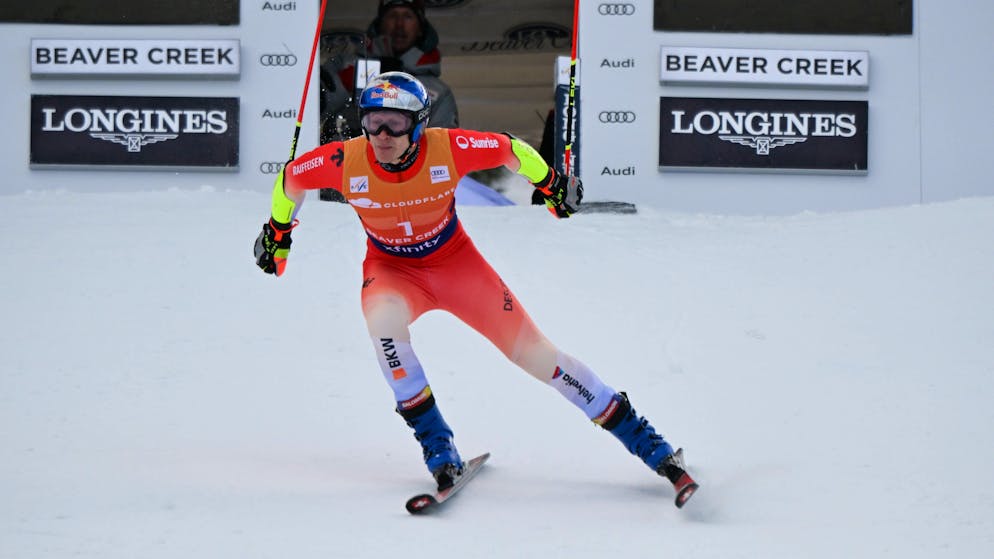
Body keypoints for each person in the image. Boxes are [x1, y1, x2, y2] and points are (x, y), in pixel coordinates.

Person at [253, 72, 699, 508]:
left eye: (396, 123)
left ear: (419, 124)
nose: (382, 135)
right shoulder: (342, 160)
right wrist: (278, 230)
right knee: (384, 330)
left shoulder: (447, 147)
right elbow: (290, 180)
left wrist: (550, 183)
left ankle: (650, 446)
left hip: (457, 267)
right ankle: (440, 453)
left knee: (539, 358)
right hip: (392, 271)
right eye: (373, 122)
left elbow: (511, 149)